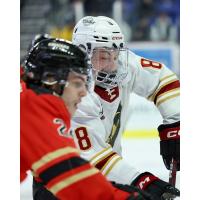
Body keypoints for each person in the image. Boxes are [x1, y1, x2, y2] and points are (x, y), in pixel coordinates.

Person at [21, 38, 150, 200]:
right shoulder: (35, 111)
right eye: (77, 83)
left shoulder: (25, 97)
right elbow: (71, 177)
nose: (84, 92)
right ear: (50, 79)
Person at [70, 16, 180, 199]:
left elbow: (163, 80)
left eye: (116, 54)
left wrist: (175, 124)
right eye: (104, 56)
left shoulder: (121, 66)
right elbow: (92, 158)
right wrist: (141, 181)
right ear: (83, 54)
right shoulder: (73, 93)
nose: (114, 64)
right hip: (66, 183)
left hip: (108, 176)